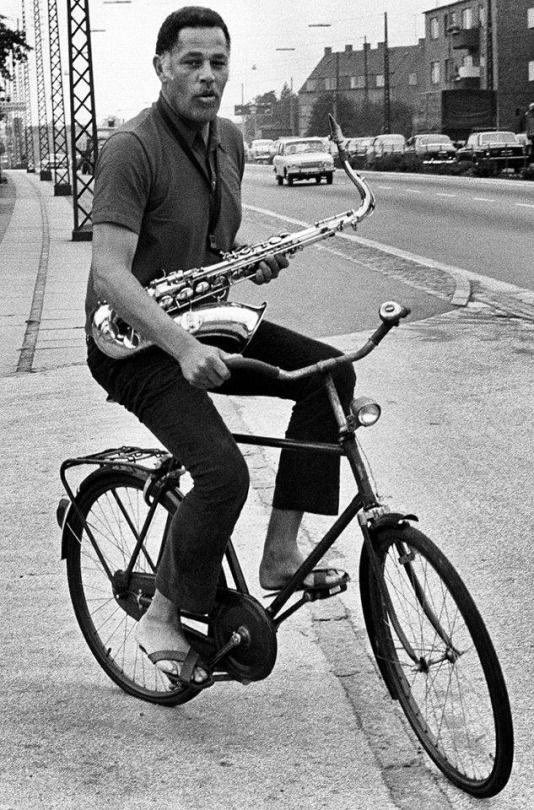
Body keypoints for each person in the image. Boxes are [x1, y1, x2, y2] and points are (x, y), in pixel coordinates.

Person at [85, 6, 355, 688]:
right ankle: (164, 615)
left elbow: (204, 246)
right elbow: (110, 273)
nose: (208, 76)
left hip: (205, 320)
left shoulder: (228, 140)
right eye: (192, 62)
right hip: (136, 344)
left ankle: (280, 554)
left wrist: (243, 259)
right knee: (223, 472)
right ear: (161, 68)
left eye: (218, 63)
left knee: (328, 376)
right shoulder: (131, 148)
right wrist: (177, 347)